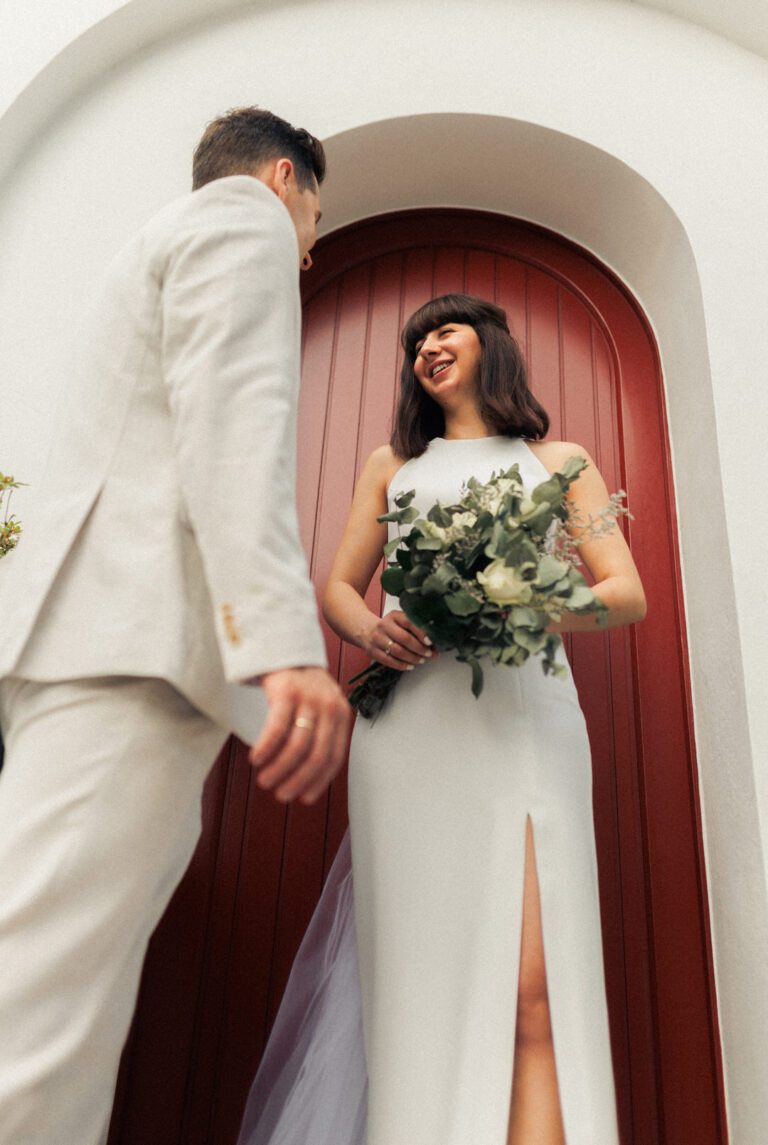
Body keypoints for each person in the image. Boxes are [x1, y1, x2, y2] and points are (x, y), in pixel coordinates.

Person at [0, 107, 351, 1145]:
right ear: (282, 178)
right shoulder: (240, 223)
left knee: (60, 997)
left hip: (105, 646)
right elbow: (234, 423)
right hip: (132, 654)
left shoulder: (152, 245)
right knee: (42, 1020)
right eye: (316, 216)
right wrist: (285, 644)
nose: (311, 244)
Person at [237, 293, 646, 1145]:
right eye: (416, 339)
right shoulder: (392, 464)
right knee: (416, 986)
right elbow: (341, 587)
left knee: (535, 986)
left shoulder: (561, 460)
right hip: (413, 736)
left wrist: (518, 607)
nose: (426, 345)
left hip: (525, 723)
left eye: (444, 330)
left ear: (491, 342)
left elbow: (624, 592)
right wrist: (372, 629)